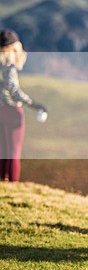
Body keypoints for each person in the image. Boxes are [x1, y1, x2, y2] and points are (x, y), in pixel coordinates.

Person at [0, 29, 47, 182]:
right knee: (13, 151)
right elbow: (14, 91)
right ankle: (13, 183)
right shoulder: (9, 66)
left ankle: (2, 180)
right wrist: (34, 104)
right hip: (12, 111)